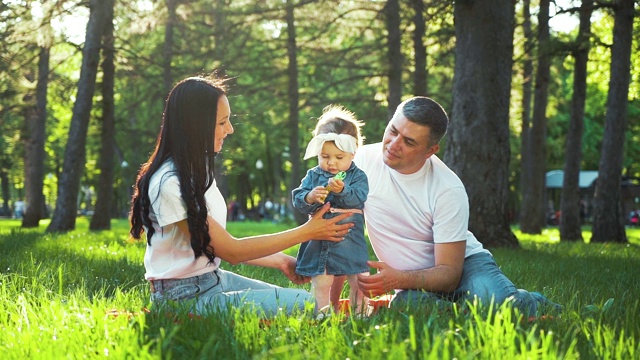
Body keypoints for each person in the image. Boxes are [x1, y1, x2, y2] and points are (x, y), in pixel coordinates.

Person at [129, 76, 353, 318]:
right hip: (182, 296)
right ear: (196, 125)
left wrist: (280, 261)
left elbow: (218, 243)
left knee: (306, 303)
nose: (230, 129)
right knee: (306, 305)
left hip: (212, 280)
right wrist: (308, 231)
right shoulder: (169, 182)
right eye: (222, 122)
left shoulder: (193, 171)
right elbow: (232, 252)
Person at [349, 96, 562, 317]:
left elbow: (449, 275)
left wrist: (398, 279)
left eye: (409, 142)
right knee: (406, 306)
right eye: (393, 131)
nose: (393, 145)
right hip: (413, 282)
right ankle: (468, 308)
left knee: (493, 302)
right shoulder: (362, 162)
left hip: (464, 266)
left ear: (430, 150)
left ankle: (527, 302)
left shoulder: (447, 189)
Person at [292, 105, 369, 316]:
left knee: (358, 277)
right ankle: (322, 312)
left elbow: (359, 197)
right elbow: (299, 199)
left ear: (353, 153)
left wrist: (343, 190)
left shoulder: (358, 176)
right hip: (318, 238)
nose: (331, 163)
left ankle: (361, 311)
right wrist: (310, 197)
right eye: (325, 156)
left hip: (349, 236)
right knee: (322, 278)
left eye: (339, 157)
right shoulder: (313, 175)